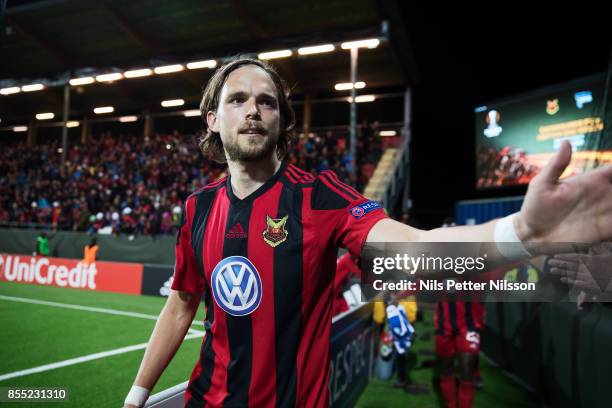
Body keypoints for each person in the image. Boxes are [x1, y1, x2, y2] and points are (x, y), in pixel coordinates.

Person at [124, 57, 612, 408]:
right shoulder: (197, 208)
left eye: (266, 102)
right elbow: (182, 303)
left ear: (281, 121)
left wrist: (522, 231)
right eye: (238, 99)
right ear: (213, 118)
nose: (253, 110)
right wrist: (137, 396)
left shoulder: (321, 197)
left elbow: (415, 249)